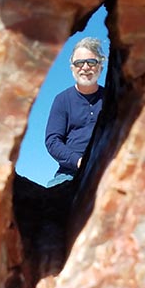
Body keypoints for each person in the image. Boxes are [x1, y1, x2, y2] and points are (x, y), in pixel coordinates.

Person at [44, 37, 105, 187]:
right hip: (69, 174)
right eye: (79, 63)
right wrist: (78, 161)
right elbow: (52, 141)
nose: (85, 67)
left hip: (106, 172)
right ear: (72, 68)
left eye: (91, 62)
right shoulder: (62, 100)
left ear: (100, 67)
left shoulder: (113, 99)